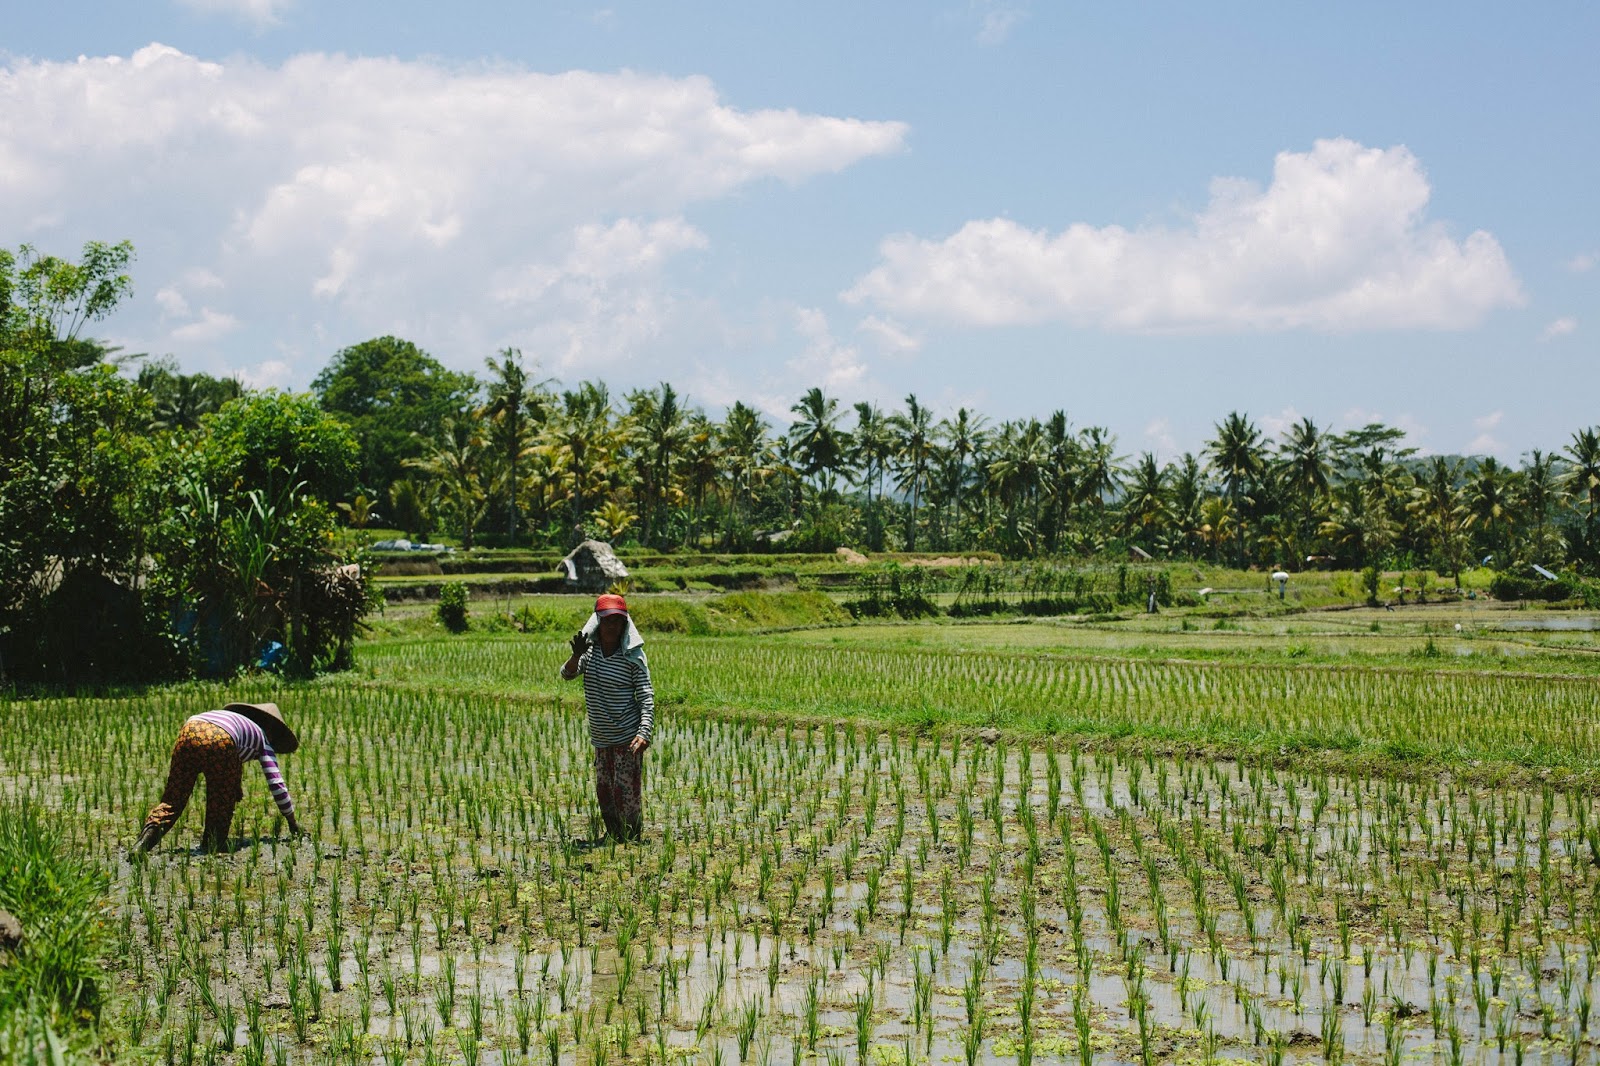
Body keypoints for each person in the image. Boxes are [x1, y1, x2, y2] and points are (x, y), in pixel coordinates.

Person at [134, 701, 302, 852]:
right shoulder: (263, 738)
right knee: (221, 800)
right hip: (221, 738)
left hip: (190, 729)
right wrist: (292, 822)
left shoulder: (236, 721)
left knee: (173, 798)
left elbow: (232, 764)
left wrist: (235, 786)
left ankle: (143, 844)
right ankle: (213, 843)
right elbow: (276, 784)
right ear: (271, 729)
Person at [560, 593, 655, 841]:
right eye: (607, 621)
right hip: (601, 738)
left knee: (626, 791)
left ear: (624, 624)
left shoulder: (632, 655)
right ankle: (613, 837)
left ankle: (631, 839)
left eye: (617, 621)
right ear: (598, 622)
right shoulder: (588, 653)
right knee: (605, 791)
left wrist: (644, 732)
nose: (612, 626)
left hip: (627, 736)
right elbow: (567, 674)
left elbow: (646, 695)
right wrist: (575, 655)